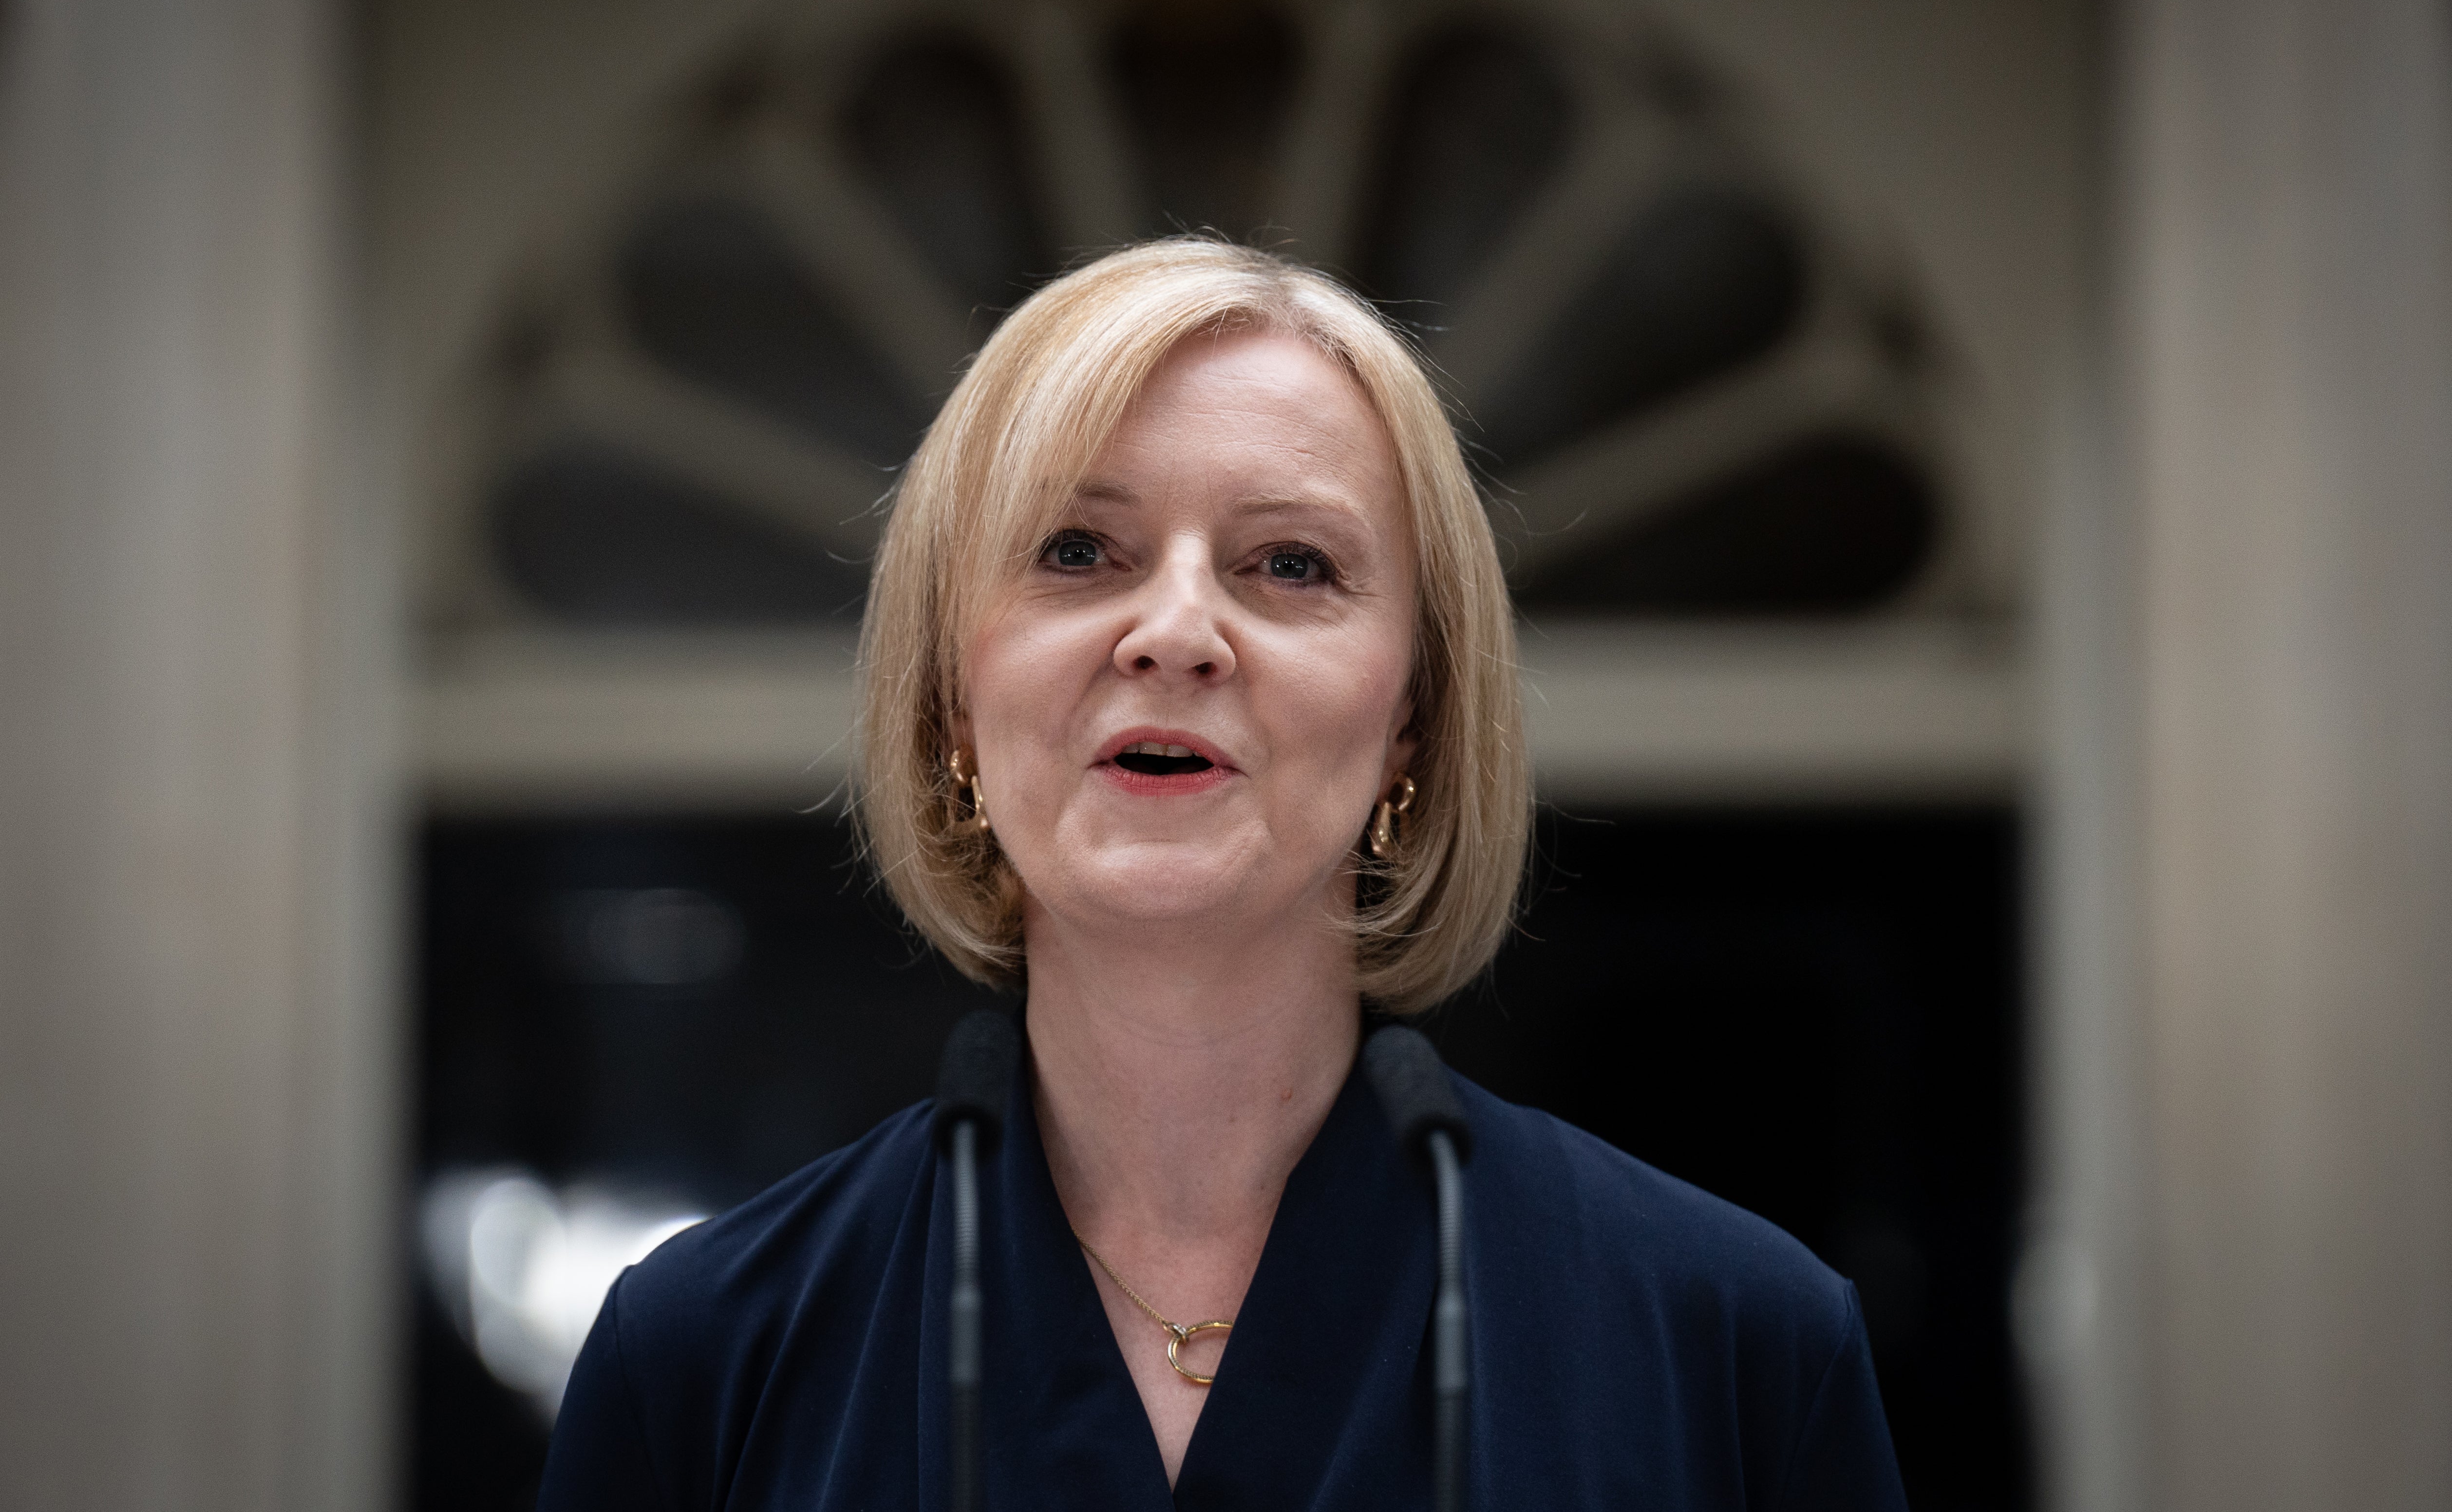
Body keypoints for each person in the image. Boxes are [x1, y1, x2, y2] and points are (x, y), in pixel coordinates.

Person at [537, 239, 1908, 1511]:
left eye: (1290, 563)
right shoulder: (702, 1361)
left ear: (1412, 716)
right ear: (953, 703)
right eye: (1078, 551)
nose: (1178, 631)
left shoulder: (1735, 1345)